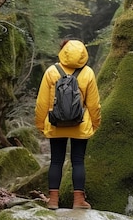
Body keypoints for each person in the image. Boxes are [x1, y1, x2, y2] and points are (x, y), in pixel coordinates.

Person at [35, 39, 101, 210]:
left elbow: (41, 103)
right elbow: (94, 104)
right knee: (78, 161)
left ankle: (53, 200)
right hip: (80, 124)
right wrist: (95, 123)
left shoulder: (51, 71)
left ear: (62, 51)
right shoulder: (88, 73)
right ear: (83, 54)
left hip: (56, 123)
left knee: (56, 161)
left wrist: (40, 124)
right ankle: (78, 200)